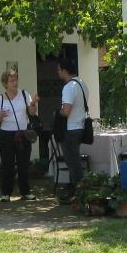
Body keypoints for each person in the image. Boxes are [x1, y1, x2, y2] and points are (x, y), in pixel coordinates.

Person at [0, 69, 40, 203]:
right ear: (5, 83)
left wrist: (33, 102)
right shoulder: (0, 99)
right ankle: (6, 193)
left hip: (23, 134)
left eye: (16, 80)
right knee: (8, 164)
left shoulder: (24, 94)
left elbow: (32, 112)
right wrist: (0, 116)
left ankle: (26, 192)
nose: (15, 83)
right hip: (6, 134)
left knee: (23, 164)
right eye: (11, 81)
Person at [57, 57, 88, 202]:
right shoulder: (82, 84)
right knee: (74, 161)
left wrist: (58, 111)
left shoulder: (69, 87)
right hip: (80, 127)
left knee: (73, 163)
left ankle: (80, 194)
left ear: (64, 70)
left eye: (59, 70)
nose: (58, 73)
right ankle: (74, 192)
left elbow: (66, 111)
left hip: (70, 129)